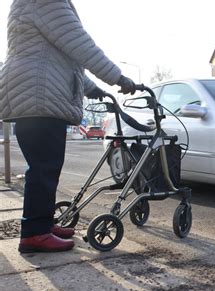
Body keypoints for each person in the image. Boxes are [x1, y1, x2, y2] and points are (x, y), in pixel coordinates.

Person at [0, 0, 136, 253]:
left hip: (35, 92)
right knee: (44, 168)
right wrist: (118, 78)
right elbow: (80, 45)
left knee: (45, 167)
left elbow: (60, 57)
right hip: (38, 95)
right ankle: (35, 233)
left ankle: (41, 225)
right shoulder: (46, 1)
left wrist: (93, 88)